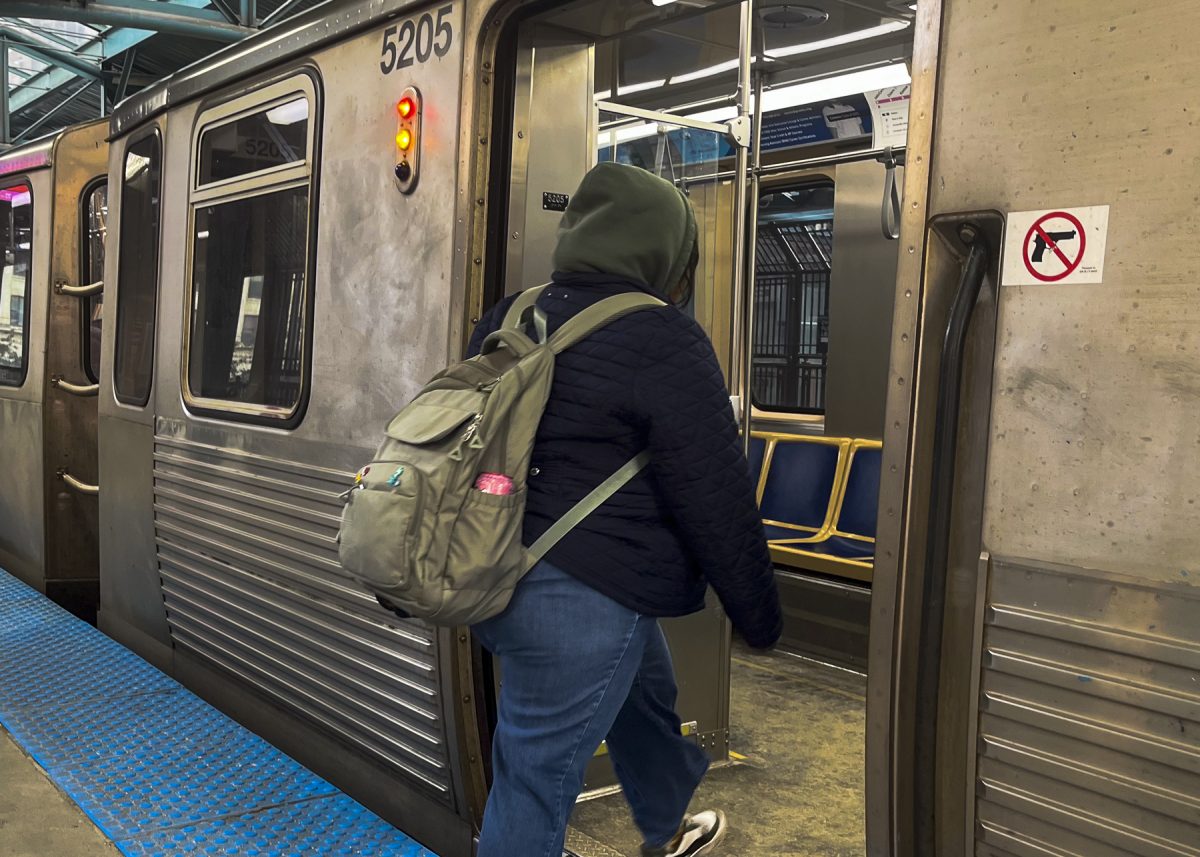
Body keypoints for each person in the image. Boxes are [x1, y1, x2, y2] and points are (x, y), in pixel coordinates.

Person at [467, 162, 781, 857]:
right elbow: (715, 491)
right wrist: (758, 614)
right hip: (583, 600)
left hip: (493, 573)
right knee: (534, 781)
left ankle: (667, 828)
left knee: (646, 692)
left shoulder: (512, 313)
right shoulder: (663, 337)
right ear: (663, 249)